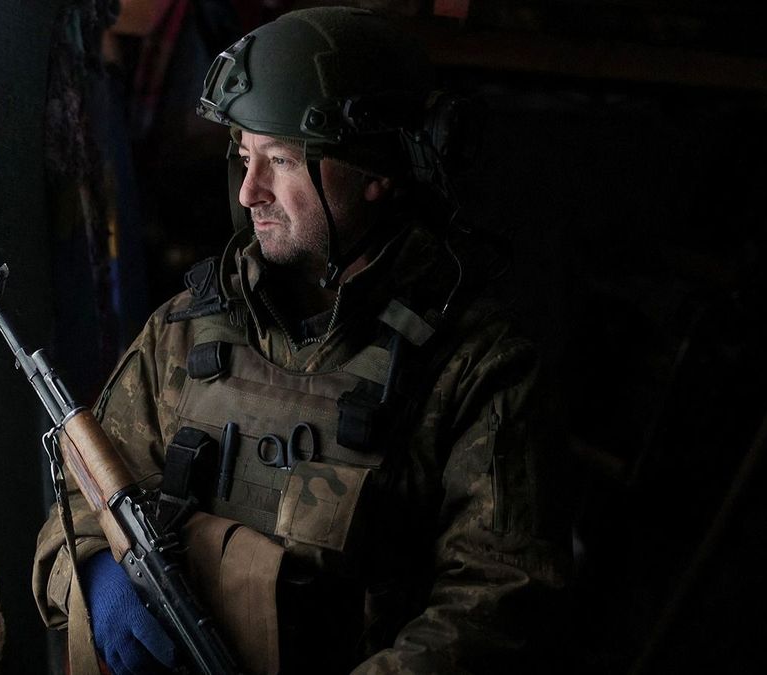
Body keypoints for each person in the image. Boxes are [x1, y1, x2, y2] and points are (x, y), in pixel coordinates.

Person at [33, 7, 566, 674]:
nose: (251, 190)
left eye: (281, 159)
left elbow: (500, 596)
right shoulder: (185, 330)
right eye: (244, 156)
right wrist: (99, 576)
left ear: (376, 172)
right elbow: (80, 500)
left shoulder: (473, 367)